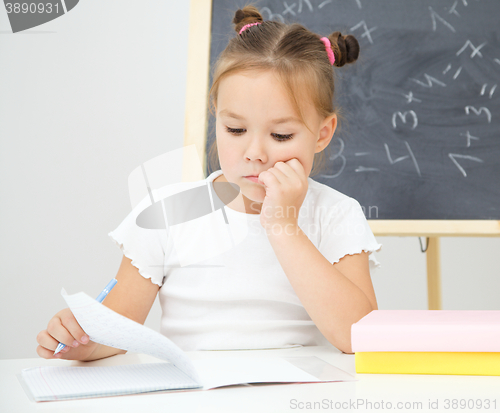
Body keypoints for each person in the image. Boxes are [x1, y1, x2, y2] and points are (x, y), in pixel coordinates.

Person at [36, 4, 382, 361]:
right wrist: (79, 339)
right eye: (235, 129)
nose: (255, 153)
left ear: (322, 134)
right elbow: (117, 329)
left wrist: (283, 227)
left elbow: (358, 337)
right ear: (216, 116)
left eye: (281, 135)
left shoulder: (336, 215)